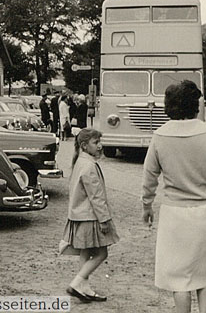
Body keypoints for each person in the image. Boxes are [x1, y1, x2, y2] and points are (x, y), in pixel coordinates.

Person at [141, 80, 206, 313]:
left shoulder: (160, 136)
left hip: (174, 214)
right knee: (205, 274)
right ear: (195, 105)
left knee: (178, 277)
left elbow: (149, 177)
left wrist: (147, 205)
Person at [59, 128, 119, 303]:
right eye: (96, 143)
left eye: (100, 142)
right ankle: (76, 283)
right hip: (90, 216)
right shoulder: (89, 165)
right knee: (102, 254)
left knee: (86, 251)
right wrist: (105, 219)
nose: (100, 146)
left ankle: (84, 287)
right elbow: (96, 196)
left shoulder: (80, 161)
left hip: (79, 215)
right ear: (84, 146)